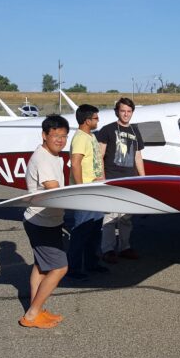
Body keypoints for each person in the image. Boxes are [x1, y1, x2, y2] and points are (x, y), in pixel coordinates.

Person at [19, 115, 71, 329]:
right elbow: (54, 189)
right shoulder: (43, 158)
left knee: (41, 267)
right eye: (55, 135)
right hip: (41, 222)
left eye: (64, 136)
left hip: (47, 220)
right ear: (44, 135)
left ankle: (36, 309)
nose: (60, 139)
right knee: (60, 268)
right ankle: (31, 315)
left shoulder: (55, 156)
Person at [97, 97, 146, 262]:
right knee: (110, 217)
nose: (126, 114)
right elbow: (99, 155)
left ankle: (124, 247)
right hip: (111, 178)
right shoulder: (107, 130)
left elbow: (138, 156)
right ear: (117, 111)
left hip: (130, 180)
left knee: (126, 217)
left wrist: (143, 178)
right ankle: (107, 250)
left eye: (129, 111)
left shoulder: (135, 131)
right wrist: (101, 177)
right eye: (123, 111)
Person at [67, 104, 107, 278]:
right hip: (86, 191)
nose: (98, 121)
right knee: (81, 230)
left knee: (95, 229)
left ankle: (92, 263)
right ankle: (73, 269)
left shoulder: (91, 137)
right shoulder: (80, 138)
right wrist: (80, 188)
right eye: (96, 118)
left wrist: (104, 182)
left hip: (96, 190)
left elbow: (98, 161)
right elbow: (75, 164)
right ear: (87, 120)